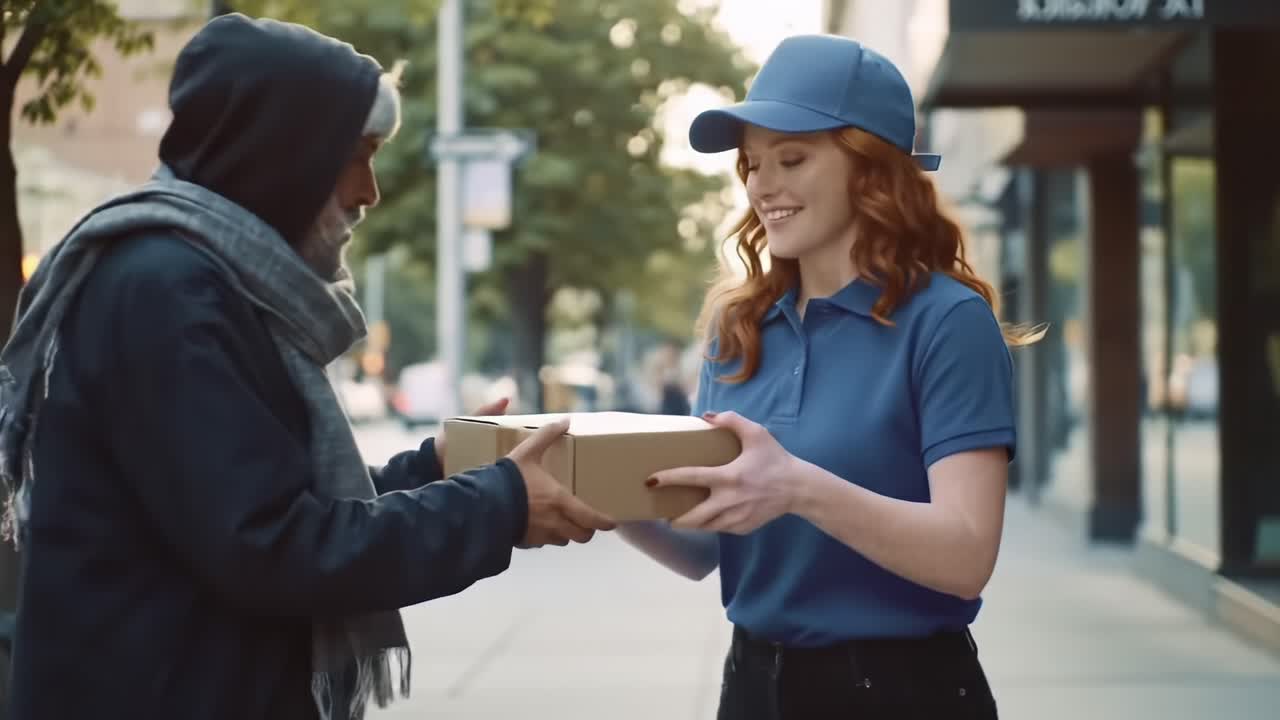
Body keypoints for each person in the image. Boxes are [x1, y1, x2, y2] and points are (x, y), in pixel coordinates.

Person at [0, 14, 614, 720]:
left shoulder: (201, 278)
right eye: (358, 155)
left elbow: (265, 504)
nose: (369, 192)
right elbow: (273, 547)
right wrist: (499, 504)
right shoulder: (167, 290)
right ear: (283, 153)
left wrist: (435, 469)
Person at [618, 35, 1040, 719]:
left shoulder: (947, 322)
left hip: (903, 694)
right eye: (751, 163)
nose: (761, 185)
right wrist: (595, 495)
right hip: (754, 686)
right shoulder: (737, 329)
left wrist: (795, 488)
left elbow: (965, 554)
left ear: (871, 170)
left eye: (792, 158)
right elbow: (704, 548)